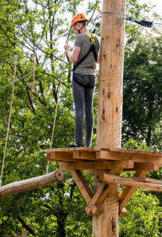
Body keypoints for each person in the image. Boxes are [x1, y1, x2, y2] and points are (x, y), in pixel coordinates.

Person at [64, 13, 100, 148]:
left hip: (79, 76)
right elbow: (98, 60)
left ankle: (79, 143)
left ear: (79, 25)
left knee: (79, 109)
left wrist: (67, 51)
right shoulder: (96, 39)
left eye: (75, 28)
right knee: (89, 110)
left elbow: (73, 59)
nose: (74, 31)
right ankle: (88, 144)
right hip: (92, 77)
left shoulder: (79, 38)